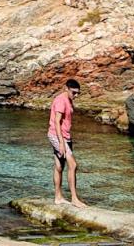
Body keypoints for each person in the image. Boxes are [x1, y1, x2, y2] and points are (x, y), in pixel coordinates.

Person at [48, 79, 86, 207]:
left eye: (77, 94)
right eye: (73, 92)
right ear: (66, 88)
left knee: (59, 166)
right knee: (73, 165)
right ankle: (74, 199)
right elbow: (57, 122)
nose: (75, 96)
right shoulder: (60, 100)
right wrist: (61, 142)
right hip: (58, 136)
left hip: (65, 137)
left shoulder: (68, 100)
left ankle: (58, 197)